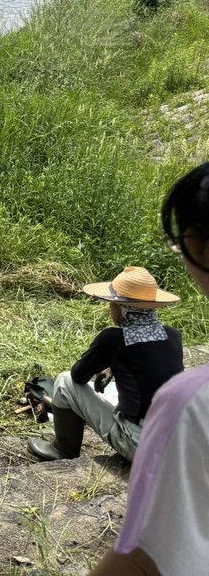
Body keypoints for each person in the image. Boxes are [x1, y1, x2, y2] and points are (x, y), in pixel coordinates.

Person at [90, 164, 209, 576]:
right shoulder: (174, 337)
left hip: (141, 439)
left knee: (69, 387)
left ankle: (59, 448)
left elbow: (143, 556)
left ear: (202, 249)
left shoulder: (191, 401)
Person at [27, 266, 182, 464]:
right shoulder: (172, 335)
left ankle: (63, 449)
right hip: (176, 441)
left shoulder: (113, 338)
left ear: (119, 308)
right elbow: (150, 371)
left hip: (142, 446)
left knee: (64, 381)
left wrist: (104, 361)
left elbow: (79, 376)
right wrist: (111, 368)